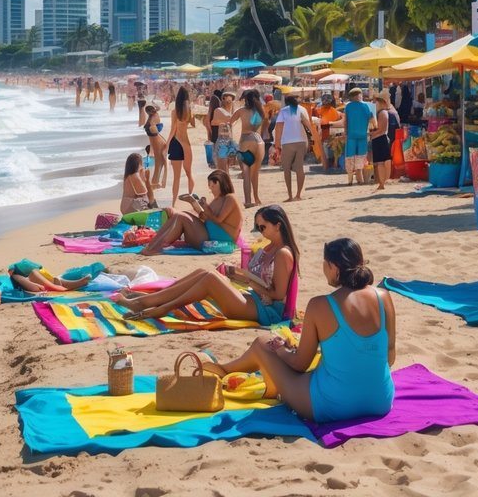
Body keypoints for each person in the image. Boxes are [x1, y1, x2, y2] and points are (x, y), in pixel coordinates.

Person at [201, 237, 396, 423]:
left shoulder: (321, 305)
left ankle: (223, 370)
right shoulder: (383, 297)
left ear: (334, 268)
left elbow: (300, 364)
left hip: (333, 405)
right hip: (380, 401)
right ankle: (231, 372)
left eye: (325, 263)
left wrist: (281, 350)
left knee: (262, 344)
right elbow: (389, 357)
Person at [117, 204, 298, 322]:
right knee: (203, 271)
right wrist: (238, 273)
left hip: (267, 311)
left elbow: (278, 294)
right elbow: (259, 279)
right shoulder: (269, 247)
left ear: (278, 225)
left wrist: (249, 281)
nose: (260, 231)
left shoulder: (282, 253)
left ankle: (161, 307)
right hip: (254, 299)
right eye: (258, 227)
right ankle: (148, 300)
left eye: (263, 227)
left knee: (210, 278)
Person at [138, 170, 242, 256]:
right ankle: (152, 245)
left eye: (211, 186)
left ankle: (156, 248)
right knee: (179, 215)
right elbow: (205, 219)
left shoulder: (230, 198)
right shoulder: (217, 200)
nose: (210, 189)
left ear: (218, 183)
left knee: (181, 217)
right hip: (208, 234)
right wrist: (193, 204)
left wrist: (206, 207)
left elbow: (218, 220)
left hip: (220, 239)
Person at [274, 94, 317, 201]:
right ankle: (298, 195)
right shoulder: (302, 110)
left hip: (287, 142)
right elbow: (308, 125)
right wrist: (314, 138)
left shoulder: (283, 111)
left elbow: (279, 127)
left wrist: (277, 143)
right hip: (302, 141)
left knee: (286, 169)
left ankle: (289, 196)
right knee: (299, 168)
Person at [233, 89, 267, 207]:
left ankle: (248, 201)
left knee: (246, 172)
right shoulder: (260, 111)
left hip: (246, 140)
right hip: (259, 141)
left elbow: (229, 122)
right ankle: (256, 198)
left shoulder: (241, 111)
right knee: (255, 173)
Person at [340, 88, 375, 185]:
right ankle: (360, 179)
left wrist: (345, 133)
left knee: (350, 157)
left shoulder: (348, 107)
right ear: (359, 95)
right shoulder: (366, 106)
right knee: (361, 156)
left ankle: (350, 179)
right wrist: (373, 129)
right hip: (363, 136)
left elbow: (345, 121)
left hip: (351, 136)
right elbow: (372, 120)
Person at [167, 86, 196, 204]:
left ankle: (173, 203)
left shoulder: (175, 112)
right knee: (189, 173)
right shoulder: (189, 112)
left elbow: (172, 129)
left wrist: (167, 144)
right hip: (186, 144)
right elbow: (194, 125)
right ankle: (191, 197)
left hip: (176, 143)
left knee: (176, 177)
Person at [368, 91, 393, 191]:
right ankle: (381, 183)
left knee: (380, 163)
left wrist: (371, 134)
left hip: (380, 139)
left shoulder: (383, 113)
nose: (375, 104)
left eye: (376, 101)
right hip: (379, 138)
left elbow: (381, 130)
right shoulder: (381, 112)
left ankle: (382, 183)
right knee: (379, 163)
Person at [212, 91, 237, 174]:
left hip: (230, 142)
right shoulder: (219, 110)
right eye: (227, 98)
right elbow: (228, 118)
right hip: (222, 142)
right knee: (223, 171)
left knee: (226, 171)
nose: (229, 101)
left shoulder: (232, 112)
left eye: (231, 99)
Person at [143, 104, 168, 187]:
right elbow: (158, 109)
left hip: (158, 142)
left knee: (159, 162)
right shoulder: (153, 119)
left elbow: (155, 135)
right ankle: (156, 182)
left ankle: (156, 182)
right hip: (158, 142)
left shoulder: (149, 121)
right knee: (160, 163)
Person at [315, 95, 342, 172]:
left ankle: (327, 166)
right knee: (334, 150)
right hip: (332, 134)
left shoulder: (320, 110)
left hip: (326, 134)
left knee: (326, 152)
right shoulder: (334, 111)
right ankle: (333, 164)